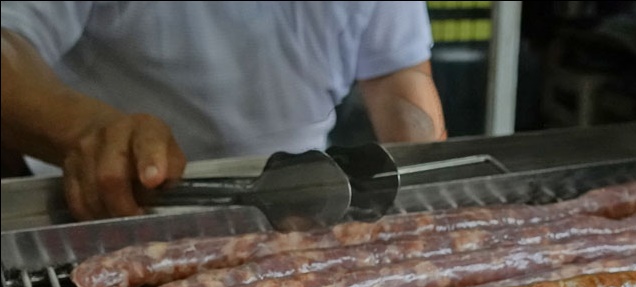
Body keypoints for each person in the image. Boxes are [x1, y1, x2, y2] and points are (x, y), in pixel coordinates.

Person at [0, 1, 448, 221]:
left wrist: (427, 190)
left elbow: (399, 78)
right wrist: (86, 130)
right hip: (120, 205)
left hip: (303, 206)